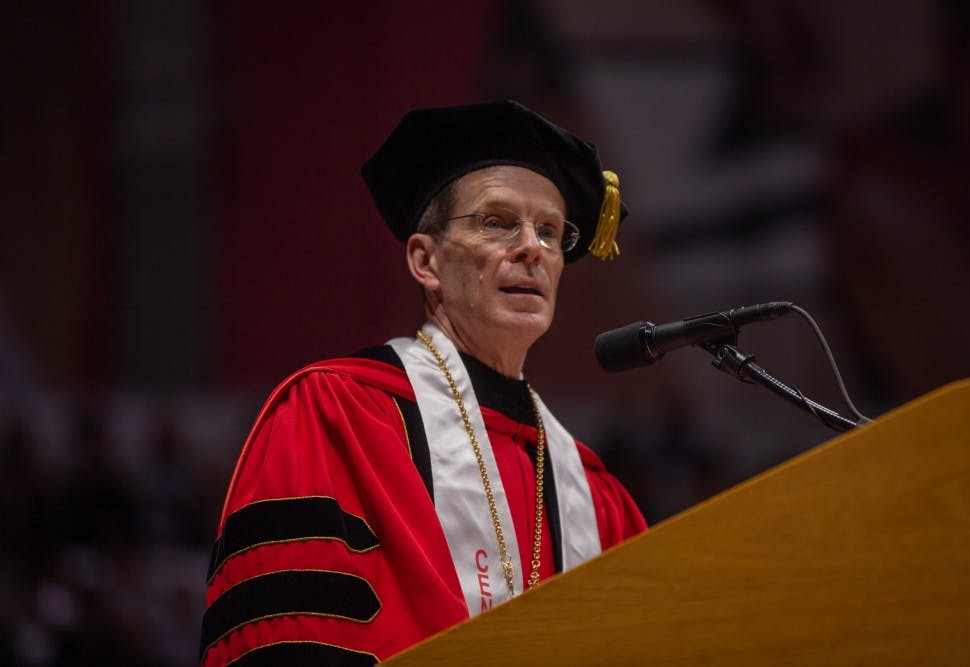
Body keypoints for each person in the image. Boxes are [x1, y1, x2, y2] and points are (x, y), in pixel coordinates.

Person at [199, 100, 647, 666]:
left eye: (551, 231)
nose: (532, 247)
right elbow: (285, 637)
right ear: (425, 261)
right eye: (497, 221)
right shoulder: (335, 418)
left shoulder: (597, 495)